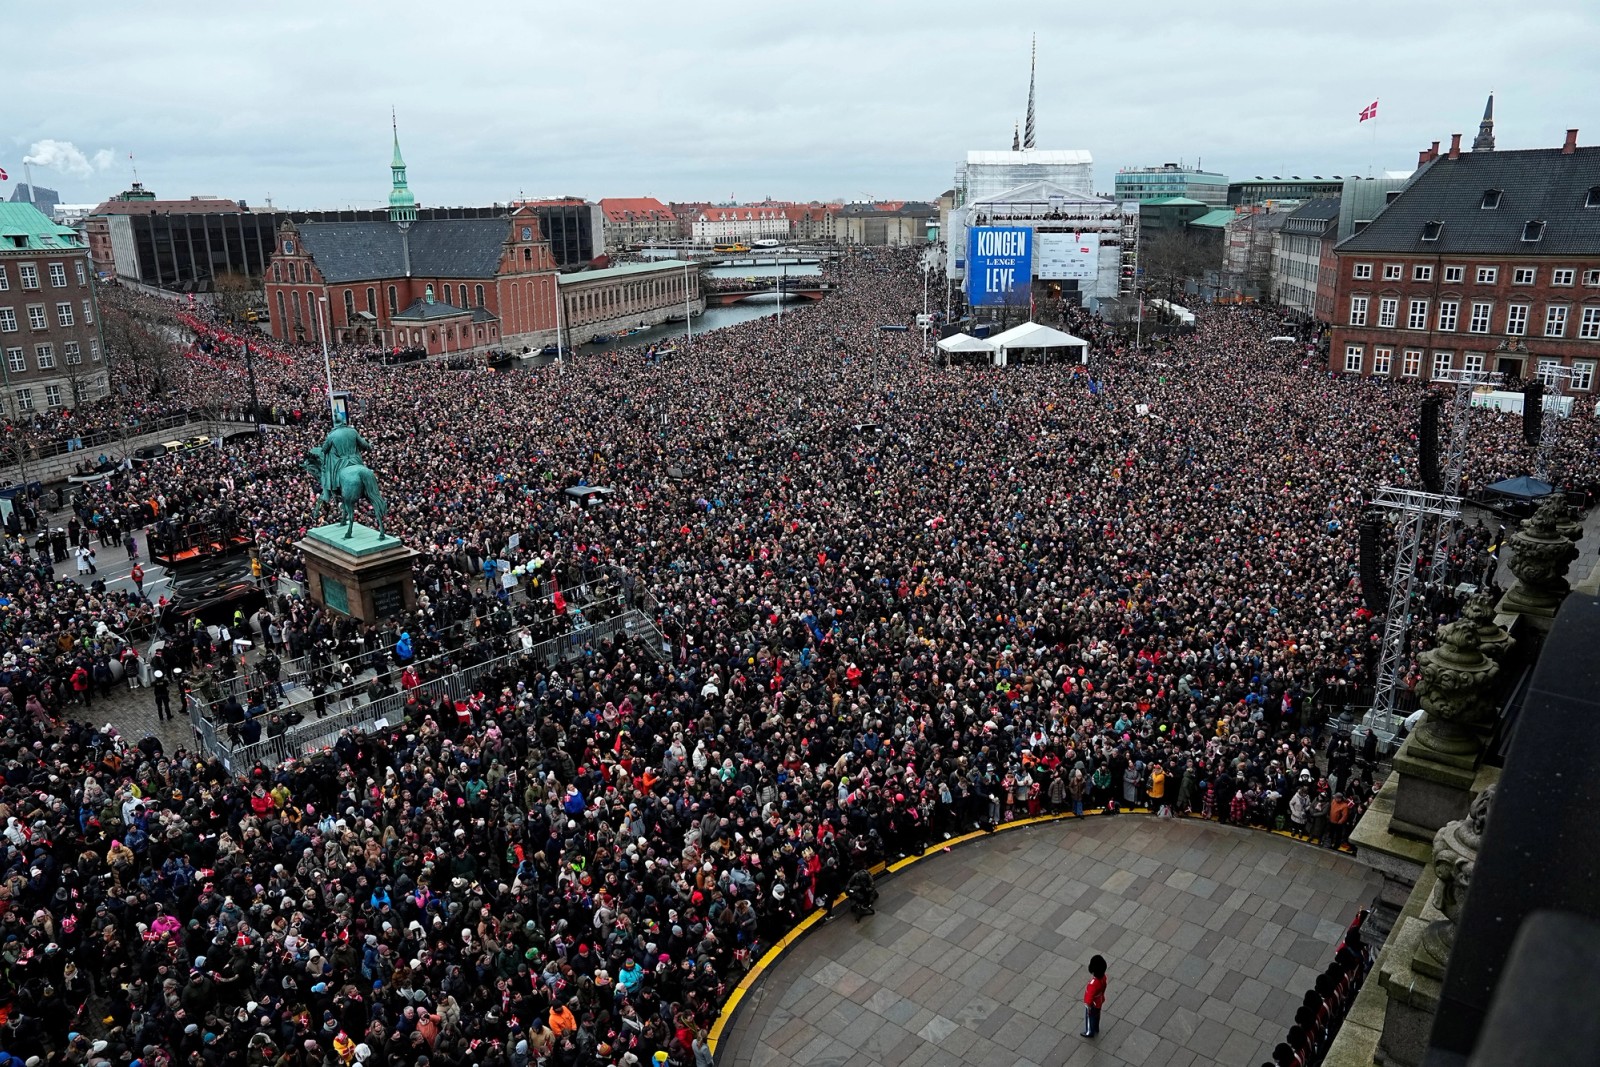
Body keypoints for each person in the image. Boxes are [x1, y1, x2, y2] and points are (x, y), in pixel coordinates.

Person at [1082, 954, 1108, 1038]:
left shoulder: (1092, 984)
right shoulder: (1103, 977)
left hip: (1092, 1004)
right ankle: (1096, 1028)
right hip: (1099, 1001)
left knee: (1089, 1018)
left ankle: (1089, 1032)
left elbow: (1089, 997)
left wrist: (1088, 1005)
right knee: (1097, 1016)